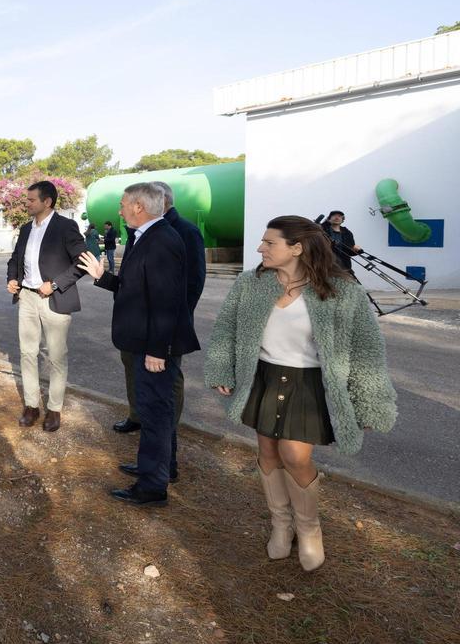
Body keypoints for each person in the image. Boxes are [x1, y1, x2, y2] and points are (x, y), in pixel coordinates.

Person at [205, 215, 396, 571]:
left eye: (269, 242)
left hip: (309, 383)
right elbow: (226, 327)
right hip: (263, 376)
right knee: (266, 450)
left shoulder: (343, 291)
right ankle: (281, 524)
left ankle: (309, 530)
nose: (261, 248)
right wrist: (221, 367)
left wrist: (370, 404)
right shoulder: (251, 284)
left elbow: (367, 349)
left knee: (294, 455)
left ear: (297, 248)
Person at [77, 183, 199, 506]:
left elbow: (166, 301)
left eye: (122, 205)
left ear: (138, 208)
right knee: (155, 412)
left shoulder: (161, 241)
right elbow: (134, 288)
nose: (118, 210)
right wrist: (102, 277)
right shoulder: (145, 237)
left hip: (153, 347)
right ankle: (158, 468)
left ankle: (152, 486)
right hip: (144, 341)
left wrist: (158, 350)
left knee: (156, 414)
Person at [112, 182, 207, 462]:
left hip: (162, 331)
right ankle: (141, 424)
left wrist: (169, 330)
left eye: (123, 204)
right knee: (140, 382)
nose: (120, 210)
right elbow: (134, 280)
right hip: (138, 327)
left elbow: (190, 284)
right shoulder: (140, 233)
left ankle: (162, 462)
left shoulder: (179, 232)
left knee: (163, 395)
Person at [6, 181, 87, 431]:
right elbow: (15, 259)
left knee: (56, 357)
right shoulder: (25, 229)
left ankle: (54, 409)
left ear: (47, 202)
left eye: (31, 200)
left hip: (53, 299)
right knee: (27, 353)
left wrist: (55, 284)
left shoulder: (66, 227)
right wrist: (12, 278)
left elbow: (83, 262)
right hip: (27, 298)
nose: (26, 204)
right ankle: (31, 406)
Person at [321, 210, 360, 276]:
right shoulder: (322, 230)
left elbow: (349, 251)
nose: (337, 218)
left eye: (339, 216)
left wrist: (357, 251)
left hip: (344, 267)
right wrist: (326, 223)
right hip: (326, 267)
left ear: (342, 220)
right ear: (329, 218)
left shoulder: (347, 233)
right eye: (334, 216)